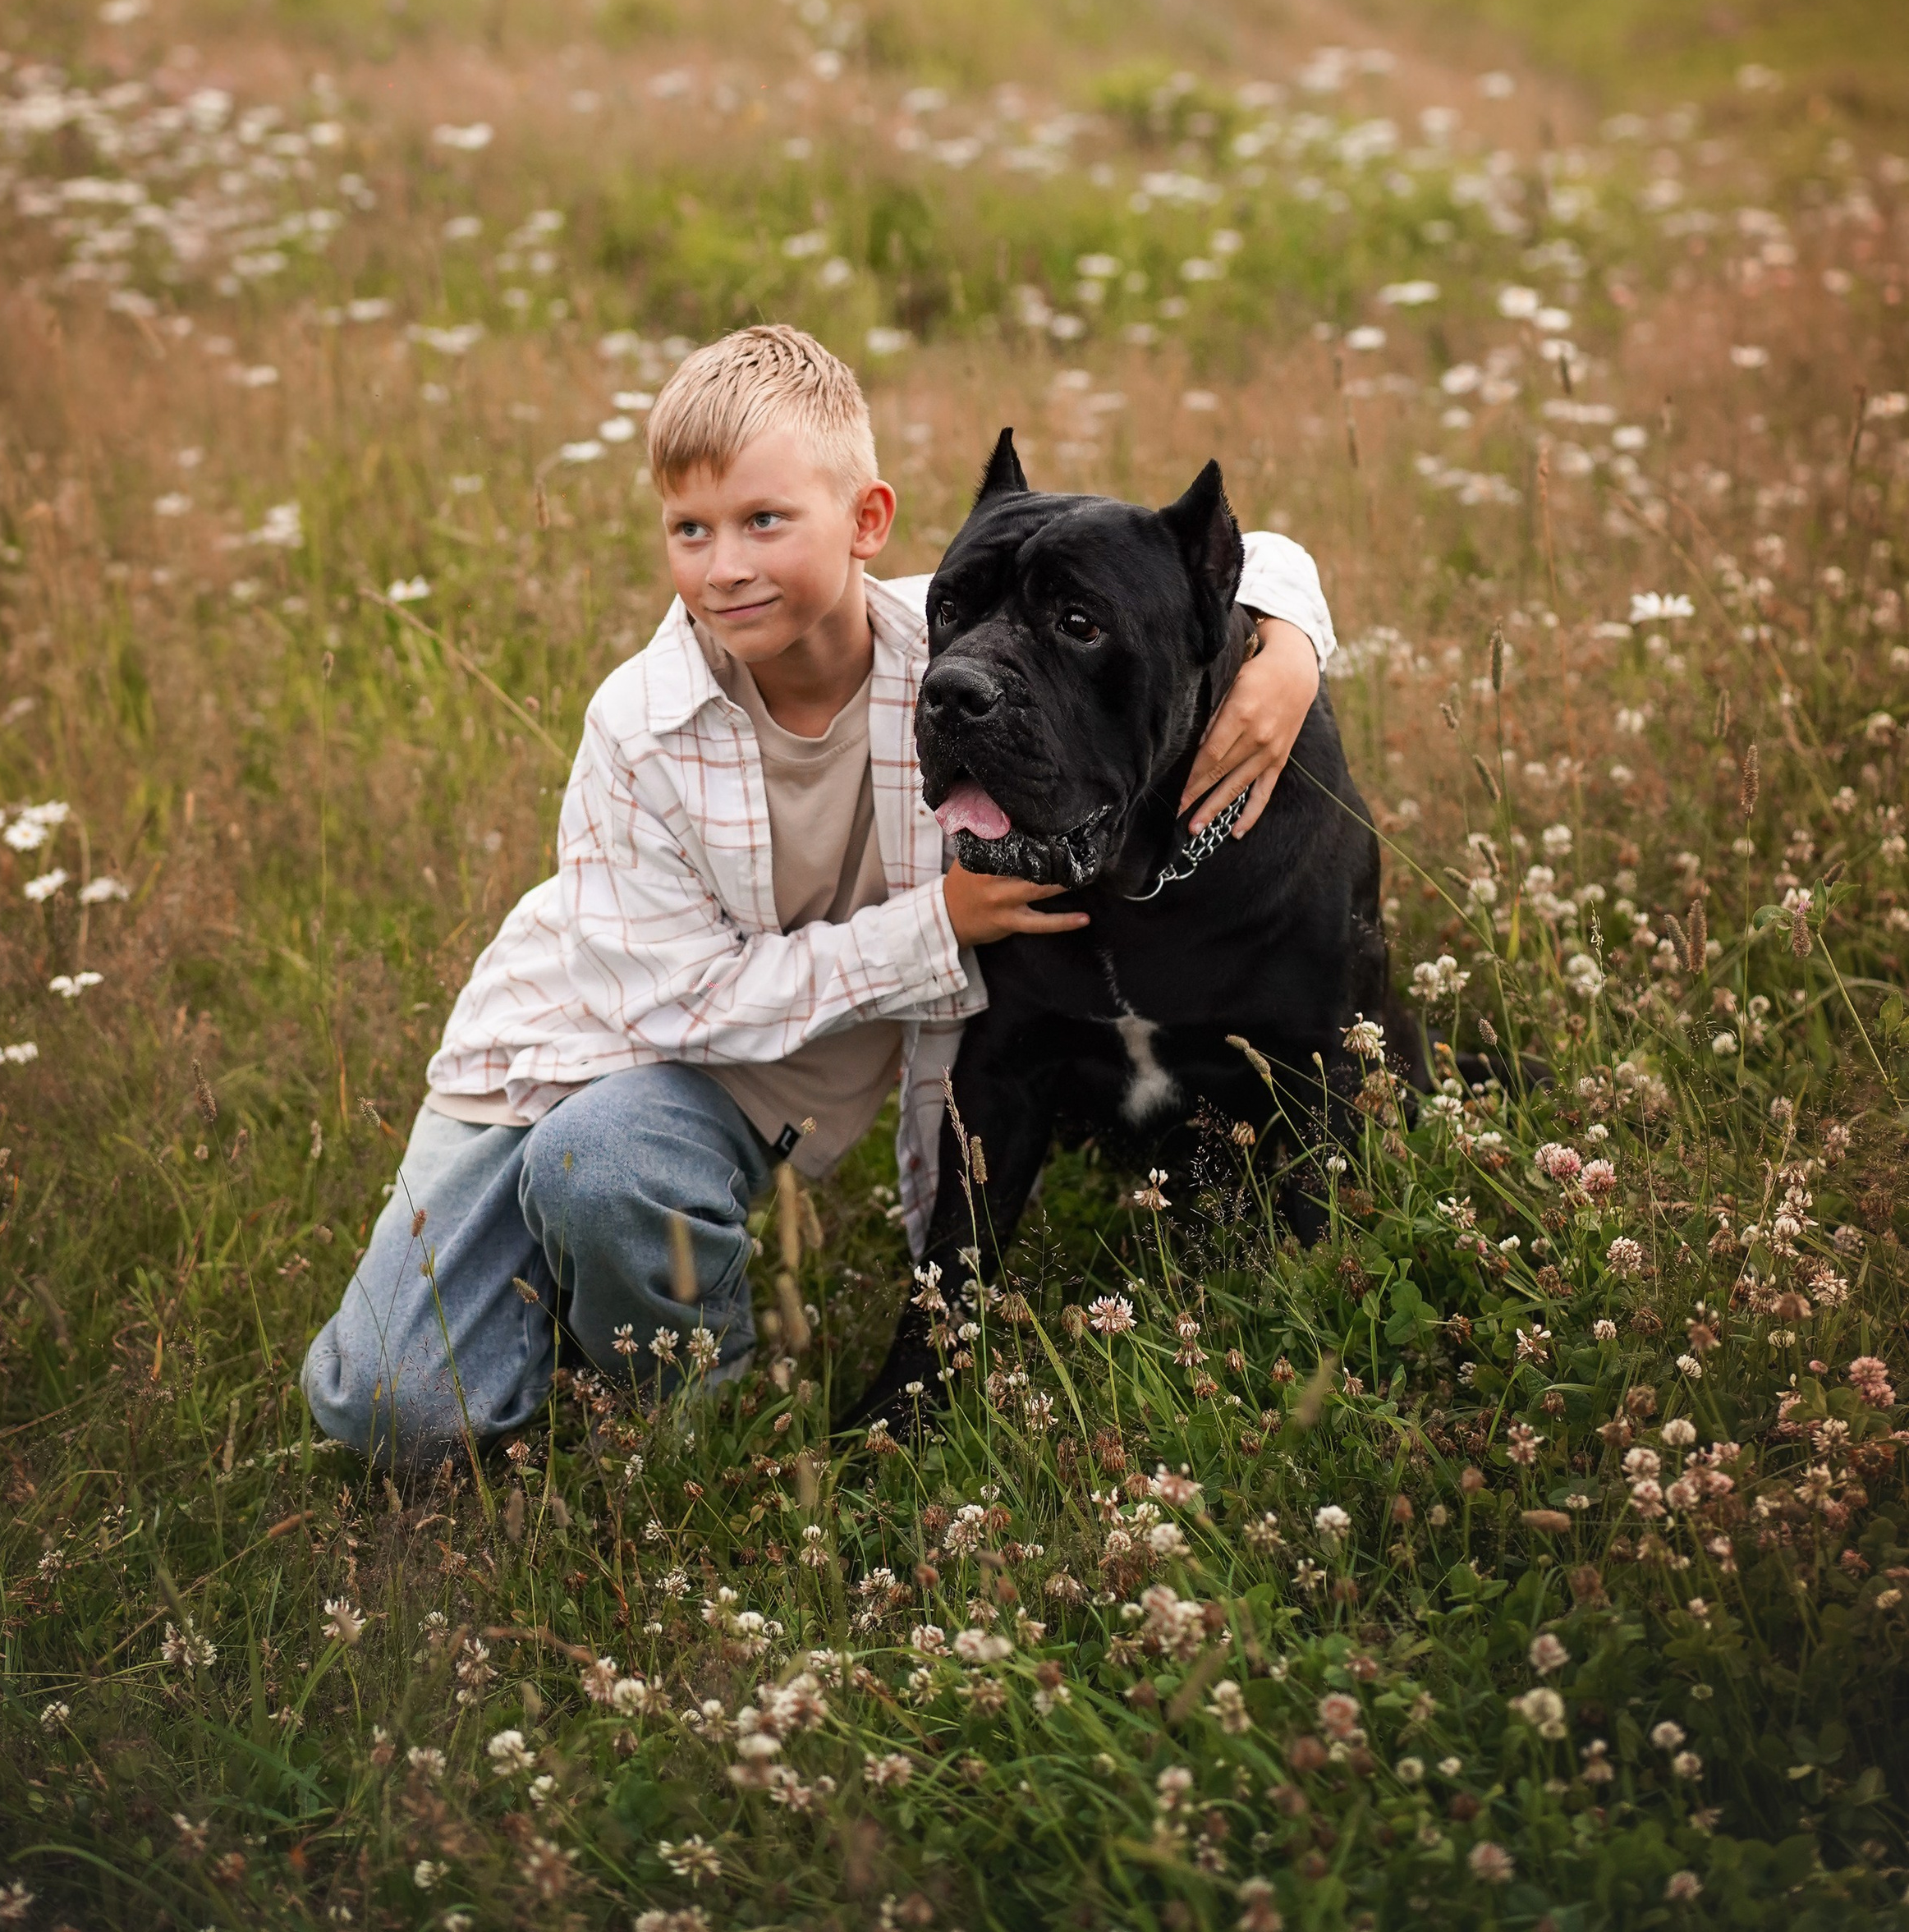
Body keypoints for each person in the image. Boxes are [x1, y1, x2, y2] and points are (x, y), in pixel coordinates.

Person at [302, 324, 1335, 1471]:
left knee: (598, 1167)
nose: (725, 567)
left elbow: (1220, 556)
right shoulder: (637, 729)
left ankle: (684, 1408)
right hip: (555, 1058)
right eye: (690, 530)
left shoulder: (947, 643)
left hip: (659, 1125)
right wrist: (935, 927)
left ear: (867, 521)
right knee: (389, 1409)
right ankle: (572, 1277)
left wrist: (1289, 647)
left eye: (764, 521)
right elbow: (680, 1005)